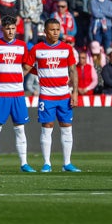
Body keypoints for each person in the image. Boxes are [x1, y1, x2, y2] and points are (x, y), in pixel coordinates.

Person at [23, 17, 80, 172]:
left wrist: (74, 92)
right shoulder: (37, 49)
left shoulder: (67, 49)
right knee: (47, 127)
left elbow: (73, 71)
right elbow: (26, 68)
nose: (56, 33)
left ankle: (67, 163)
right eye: (52, 30)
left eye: (57, 30)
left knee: (66, 127)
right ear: (45, 31)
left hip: (64, 94)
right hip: (46, 95)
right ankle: (47, 163)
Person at [0, 15, 34, 173]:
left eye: (13, 28)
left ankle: (24, 163)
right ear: (2, 29)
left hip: (18, 94)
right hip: (1, 94)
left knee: (20, 129)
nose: (11, 31)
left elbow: (27, 65)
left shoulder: (22, 46)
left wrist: (19, 76)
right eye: (8, 28)